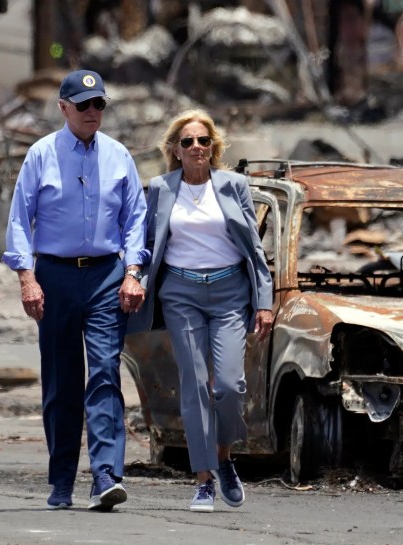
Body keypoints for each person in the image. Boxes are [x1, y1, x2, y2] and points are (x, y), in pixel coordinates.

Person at [2, 69, 147, 511]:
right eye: (83, 105)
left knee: (104, 373)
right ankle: (62, 478)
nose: (92, 113)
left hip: (106, 276)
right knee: (62, 381)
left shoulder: (120, 156)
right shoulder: (41, 155)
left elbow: (136, 218)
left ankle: (106, 475)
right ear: (63, 108)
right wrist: (27, 278)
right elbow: (18, 221)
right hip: (56, 277)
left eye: (99, 104)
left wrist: (133, 271)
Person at [128, 109, 273, 513]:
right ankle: (204, 479)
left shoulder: (234, 186)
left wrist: (264, 301)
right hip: (181, 293)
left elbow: (254, 250)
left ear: (214, 147)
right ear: (174, 149)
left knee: (228, 386)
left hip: (229, 293)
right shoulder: (160, 188)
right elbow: (144, 241)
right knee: (193, 386)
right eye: (187, 141)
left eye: (203, 141)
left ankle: (224, 457)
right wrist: (133, 275)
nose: (196, 148)